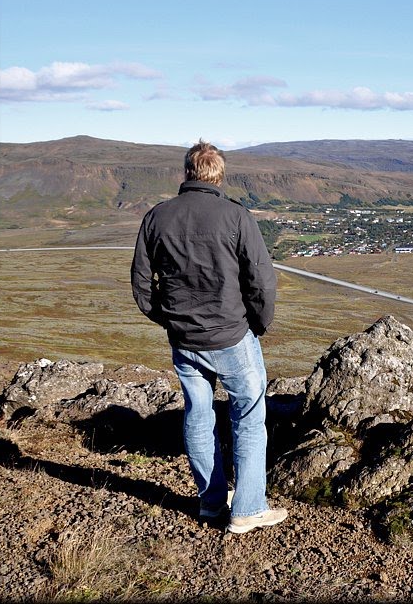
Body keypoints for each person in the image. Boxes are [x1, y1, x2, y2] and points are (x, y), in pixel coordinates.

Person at [131, 139, 287, 534]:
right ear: (218, 175)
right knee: (249, 418)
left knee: (198, 416)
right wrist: (259, 324)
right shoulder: (236, 216)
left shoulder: (157, 216)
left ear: (186, 172)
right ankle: (248, 508)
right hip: (232, 336)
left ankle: (212, 503)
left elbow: (140, 284)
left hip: (185, 341)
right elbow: (261, 282)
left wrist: (169, 320)